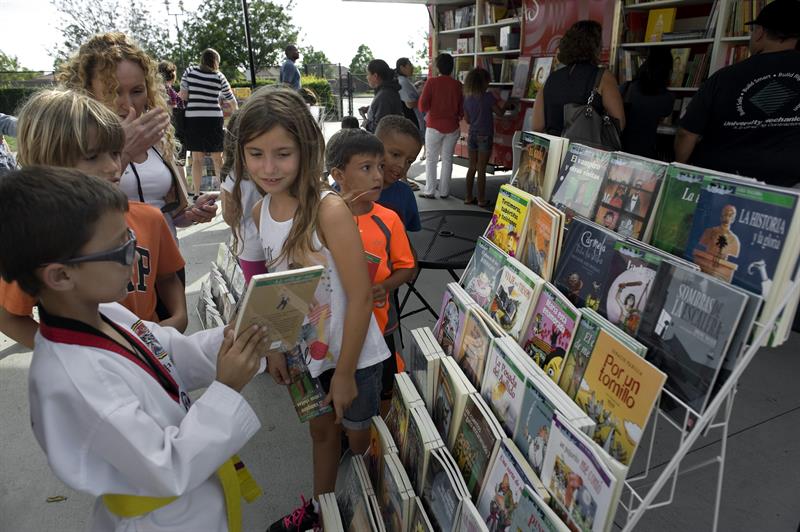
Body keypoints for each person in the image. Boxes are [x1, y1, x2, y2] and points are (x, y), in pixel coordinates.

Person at [0, 166, 269, 532]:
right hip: (159, 520)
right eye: (120, 248)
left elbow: (166, 358)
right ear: (61, 276)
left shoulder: (106, 312)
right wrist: (226, 390)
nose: (135, 253)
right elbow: (165, 465)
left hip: (191, 504)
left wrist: (231, 339)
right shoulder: (73, 380)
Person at [232, 87, 390, 531]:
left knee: (360, 443)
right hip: (304, 357)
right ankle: (324, 515)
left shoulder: (329, 209)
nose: (268, 167)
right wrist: (276, 348)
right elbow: (279, 291)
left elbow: (360, 297)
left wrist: (343, 374)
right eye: (256, 153)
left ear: (306, 149)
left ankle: (371, 516)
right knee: (321, 435)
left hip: (353, 359)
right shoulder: (261, 211)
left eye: (282, 153)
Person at [0, 89, 188, 348]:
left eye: (114, 153)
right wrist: (69, 349)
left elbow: (167, 277)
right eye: (91, 157)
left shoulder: (149, 218)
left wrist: (178, 318)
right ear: (47, 163)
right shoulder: (36, 241)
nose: (113, 166)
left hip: (152, 351)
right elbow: (9, 317)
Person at [58, 32, 217, 238]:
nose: (129, 104)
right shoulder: (74, 142)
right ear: (86, 91)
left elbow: (166, 213)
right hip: (113, 264)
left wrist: (192, 213)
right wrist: (123, 151)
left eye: (137, 91)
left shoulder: (155, 135)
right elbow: (74, 214)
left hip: (166, 262)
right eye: (114, 92)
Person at [325, 128, 416, 414]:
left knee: (382, 387)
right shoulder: (321, 217)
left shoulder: (388, 220)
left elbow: (407, 268)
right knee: (335, 392)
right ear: (338, 175)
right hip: (333, 327)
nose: (378, 175)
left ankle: (379, 435)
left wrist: (386, 286)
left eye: (379, 166)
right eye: (367, 168)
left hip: (381, 324)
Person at [675, 0, 800, 187]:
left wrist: (681, 172)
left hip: (721, 182)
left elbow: (687, 133)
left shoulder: (724, 77)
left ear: (760, 33)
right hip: (789, 187)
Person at [532, 20, 626, 137]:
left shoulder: (551, 79)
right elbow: (619, 123)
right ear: (595, 47)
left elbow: (537, 126)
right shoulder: (603, 77)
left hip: (554, 151)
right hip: (586, 152)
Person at [180, 48, 238, 199]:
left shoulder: (190, 71)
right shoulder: (219, 76)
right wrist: (237, 116)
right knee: (217, 158)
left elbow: (184, 96)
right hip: (213, 119)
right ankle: (223, 191)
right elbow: (231, 99)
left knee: (196, 159)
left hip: (194, 119)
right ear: (216, 61)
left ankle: (197, 192)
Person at [219, 110, 267, 285]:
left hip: (250, 248)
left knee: (259, 299)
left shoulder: (232, 176)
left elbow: (230, 218)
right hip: (282, 245)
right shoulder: (273, 170)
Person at [418, 53, 464, 199]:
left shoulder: (431, 83)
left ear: (437, 67)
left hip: (434, 126)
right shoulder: (457, 85)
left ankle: (430, 190)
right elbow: (461, 110)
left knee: (431, 159)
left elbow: (422, 106)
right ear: (452, 67)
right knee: (447, 159)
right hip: (452, 126)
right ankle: (444, 192)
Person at [462, 68, 510, 207]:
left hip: (472, 135)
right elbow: (500, 113)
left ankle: (468, 197)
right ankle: (482, 199)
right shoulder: (488, 97)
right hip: (485, 135)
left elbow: (468, 120)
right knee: (481, 168)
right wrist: (507, 103)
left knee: (472, 167)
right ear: (484, 83)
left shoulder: (467, 98)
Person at [619, 48, 675, 158]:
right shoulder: (667, 97)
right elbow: (663, 115)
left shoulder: (626, 87)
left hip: (620, 150)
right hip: (645, 154)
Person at [375, 115, 423, 232]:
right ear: (374, 146)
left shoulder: (406, 194)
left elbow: (404, 237)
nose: (402, 165)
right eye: (396, 154)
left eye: (409, 161)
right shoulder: (346, 187)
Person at [158, 60, 187, 184]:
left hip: (164, 127)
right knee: (178, 159)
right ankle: (184, 187)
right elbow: (174, 108)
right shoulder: (169, 91)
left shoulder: (158, 90)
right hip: (175, 127)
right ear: (173, 74)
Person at [361, 59, 405, 133]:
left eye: (368, 74)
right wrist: (370, 109)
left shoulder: (384, 95)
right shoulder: (386, 91)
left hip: (386, 142)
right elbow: (385, 110)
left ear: (375, 76)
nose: (367, 77)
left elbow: (380, 127)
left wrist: (366, 124)